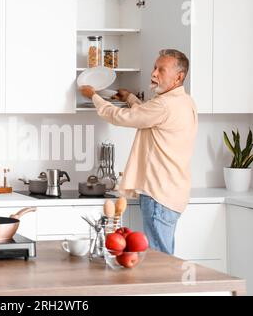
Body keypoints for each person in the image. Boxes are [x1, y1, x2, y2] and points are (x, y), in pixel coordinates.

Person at [80, 49, 198, 255]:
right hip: (173, 192)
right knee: (164, 257)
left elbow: (121, 117)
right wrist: (131, 98)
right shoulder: (184, 101)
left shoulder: (164, 105)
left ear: (178, 77)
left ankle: (162, 288)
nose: (153, 74)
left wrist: (94, 96)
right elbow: (147, 114)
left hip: (158, 195)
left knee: (158, 260)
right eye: (154, 67)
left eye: (161, 70)